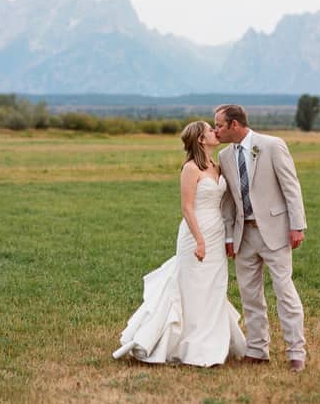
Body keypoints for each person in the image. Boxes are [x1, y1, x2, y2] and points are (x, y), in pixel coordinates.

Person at [113, 120, 246, 366]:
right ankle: (186, 343)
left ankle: (212, 341)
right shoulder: (190, 169)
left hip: (217, 232)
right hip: (195, 233)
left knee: (214, 288)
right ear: (200, 139)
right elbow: (186, 208)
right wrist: (199, 241)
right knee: (192, 288)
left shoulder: (217, 166)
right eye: (209, 130)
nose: (215, 132)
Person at [214, 104, 307, 372]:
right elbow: (229, 201)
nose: (216, 130)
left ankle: (295, 353)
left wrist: (297, 225)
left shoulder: (272, 145)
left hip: (276, 231)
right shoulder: (224, 156)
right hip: (244, 235)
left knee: (284, 292)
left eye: (219, 125)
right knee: (249, 294)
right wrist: (229, 237)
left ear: (234, 124)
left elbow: (291, 186)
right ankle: (257, 349)